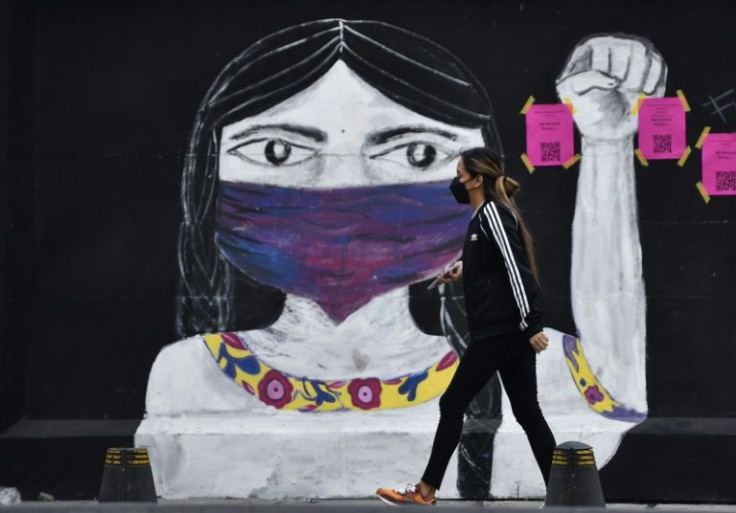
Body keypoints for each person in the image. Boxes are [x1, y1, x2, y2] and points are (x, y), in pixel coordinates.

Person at [376, 147, 556, 506]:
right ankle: (566, 493)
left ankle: (426, 490)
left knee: (453, 402)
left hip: (501, 330)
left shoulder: (491, 213)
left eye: (460, 174)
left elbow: (516, 269)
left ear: (476, 180)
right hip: (505, 331)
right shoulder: (483, 218)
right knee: (527, 412)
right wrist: (463, 269)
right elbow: (490, 262)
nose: (455, 181)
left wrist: (531, 323)